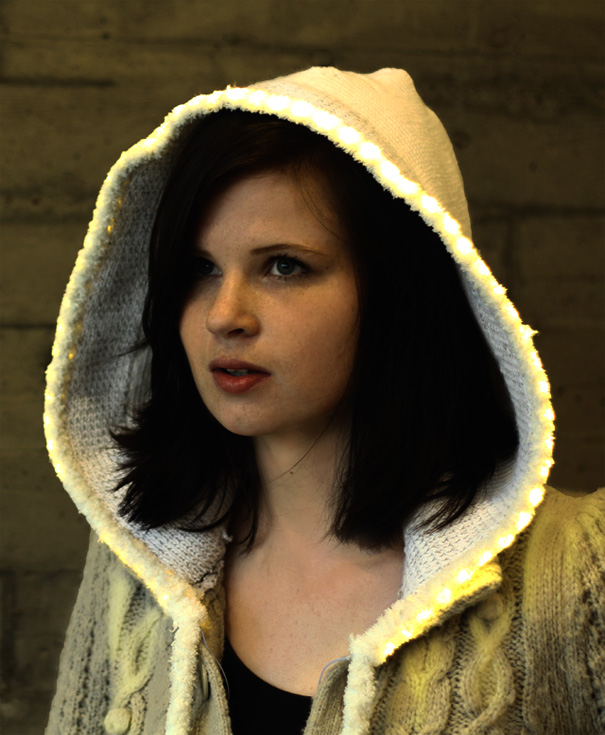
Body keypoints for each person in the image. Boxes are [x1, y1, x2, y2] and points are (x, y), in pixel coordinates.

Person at [44, 67, 603, 735]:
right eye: (200, 268)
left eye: (284, 265)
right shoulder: (135, 560)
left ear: (399, 290)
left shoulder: (578, 569)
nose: (224, 315)